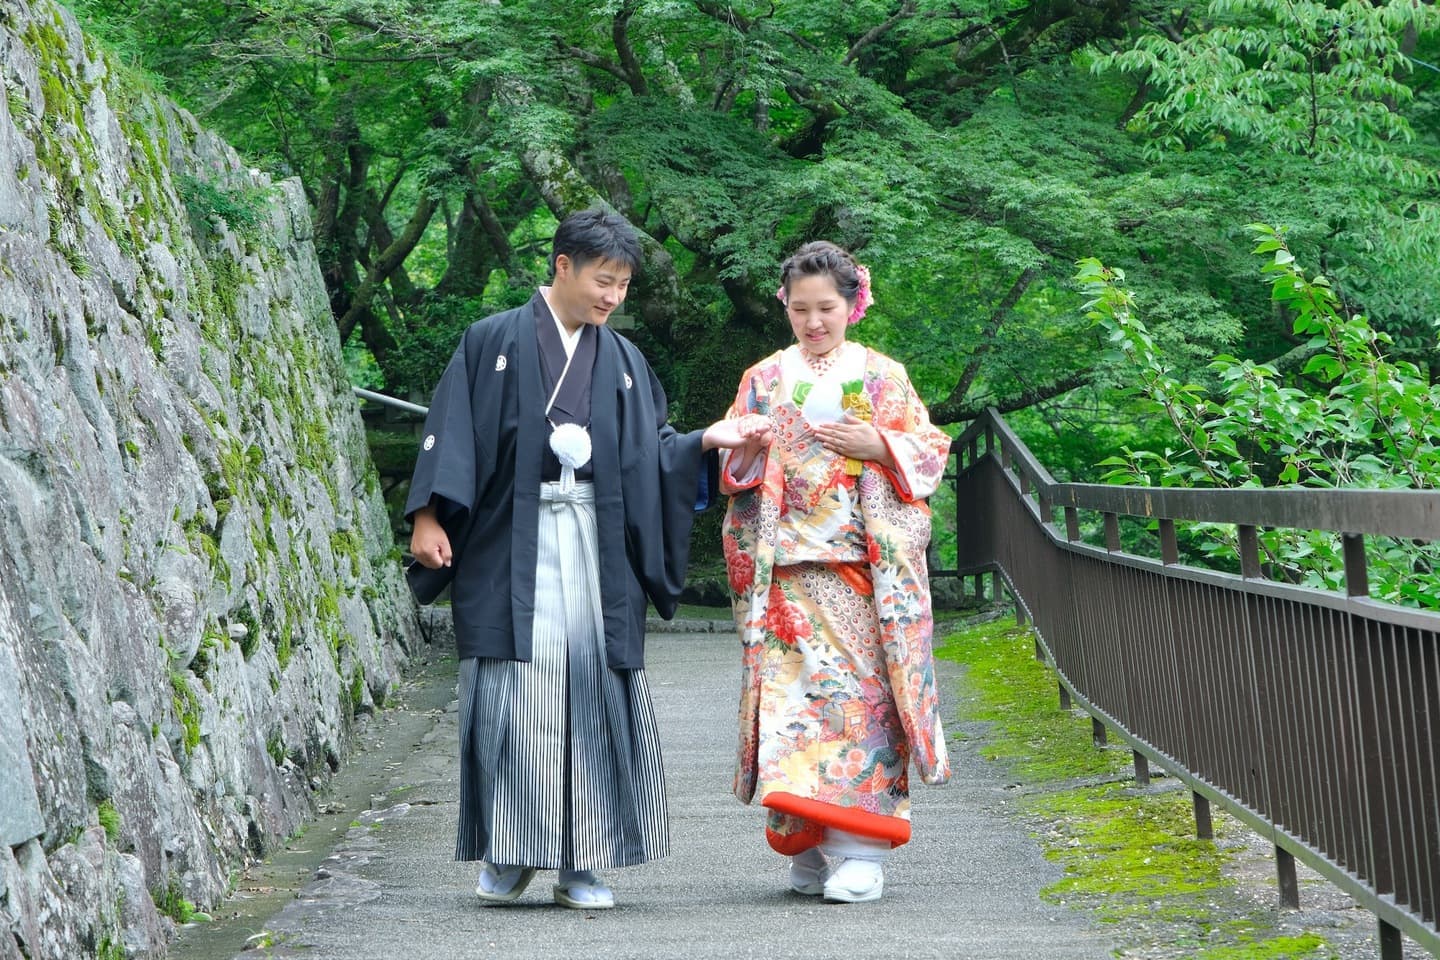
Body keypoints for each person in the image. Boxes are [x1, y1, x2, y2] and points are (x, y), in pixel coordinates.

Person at [404, 207, 756, 910]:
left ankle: (581, 861)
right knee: (514, 690)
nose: (613, 298)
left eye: (623, 285)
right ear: (562, 265)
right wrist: (428, 516)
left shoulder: (623, 361)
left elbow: (653, 452)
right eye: (604, 280)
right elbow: (452, 434)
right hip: (512, 541)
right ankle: (510, 852)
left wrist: (702, 442)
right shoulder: (491, 341)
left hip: (595, 544)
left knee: (591, 692)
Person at [717, 241, 952, 904]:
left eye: (826, 308)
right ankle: (811, 845)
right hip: (786, 569)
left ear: (853, 305)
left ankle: (861, 850)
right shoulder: (763, 377)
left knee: (860, 712)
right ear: (784, 307)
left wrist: (877, 444)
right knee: (791, 713)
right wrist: (752, 451)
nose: (813, 322)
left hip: (858, 570)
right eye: (800, 309)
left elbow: (929, 450)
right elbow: (732, 471)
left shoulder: (883, 375)